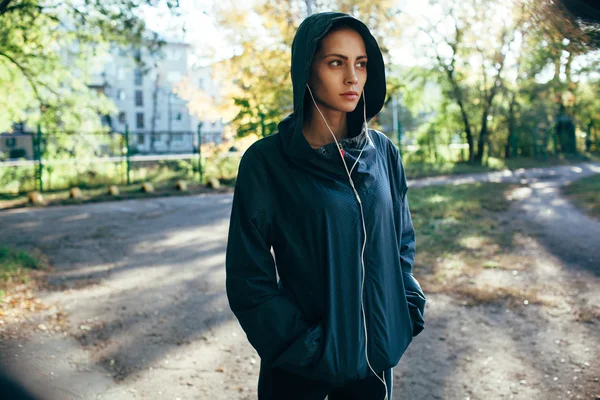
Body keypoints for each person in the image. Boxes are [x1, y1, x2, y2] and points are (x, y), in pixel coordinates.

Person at [225, 11, 426, 400]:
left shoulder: (384, 154)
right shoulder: (267, 163)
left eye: (361, 64)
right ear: (306, 69)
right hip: (300, 373)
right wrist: (309, 348)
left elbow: (400, 242)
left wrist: (407, 305)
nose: (352, 78)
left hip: (373, 369)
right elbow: (249, 279)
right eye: (336, 62)